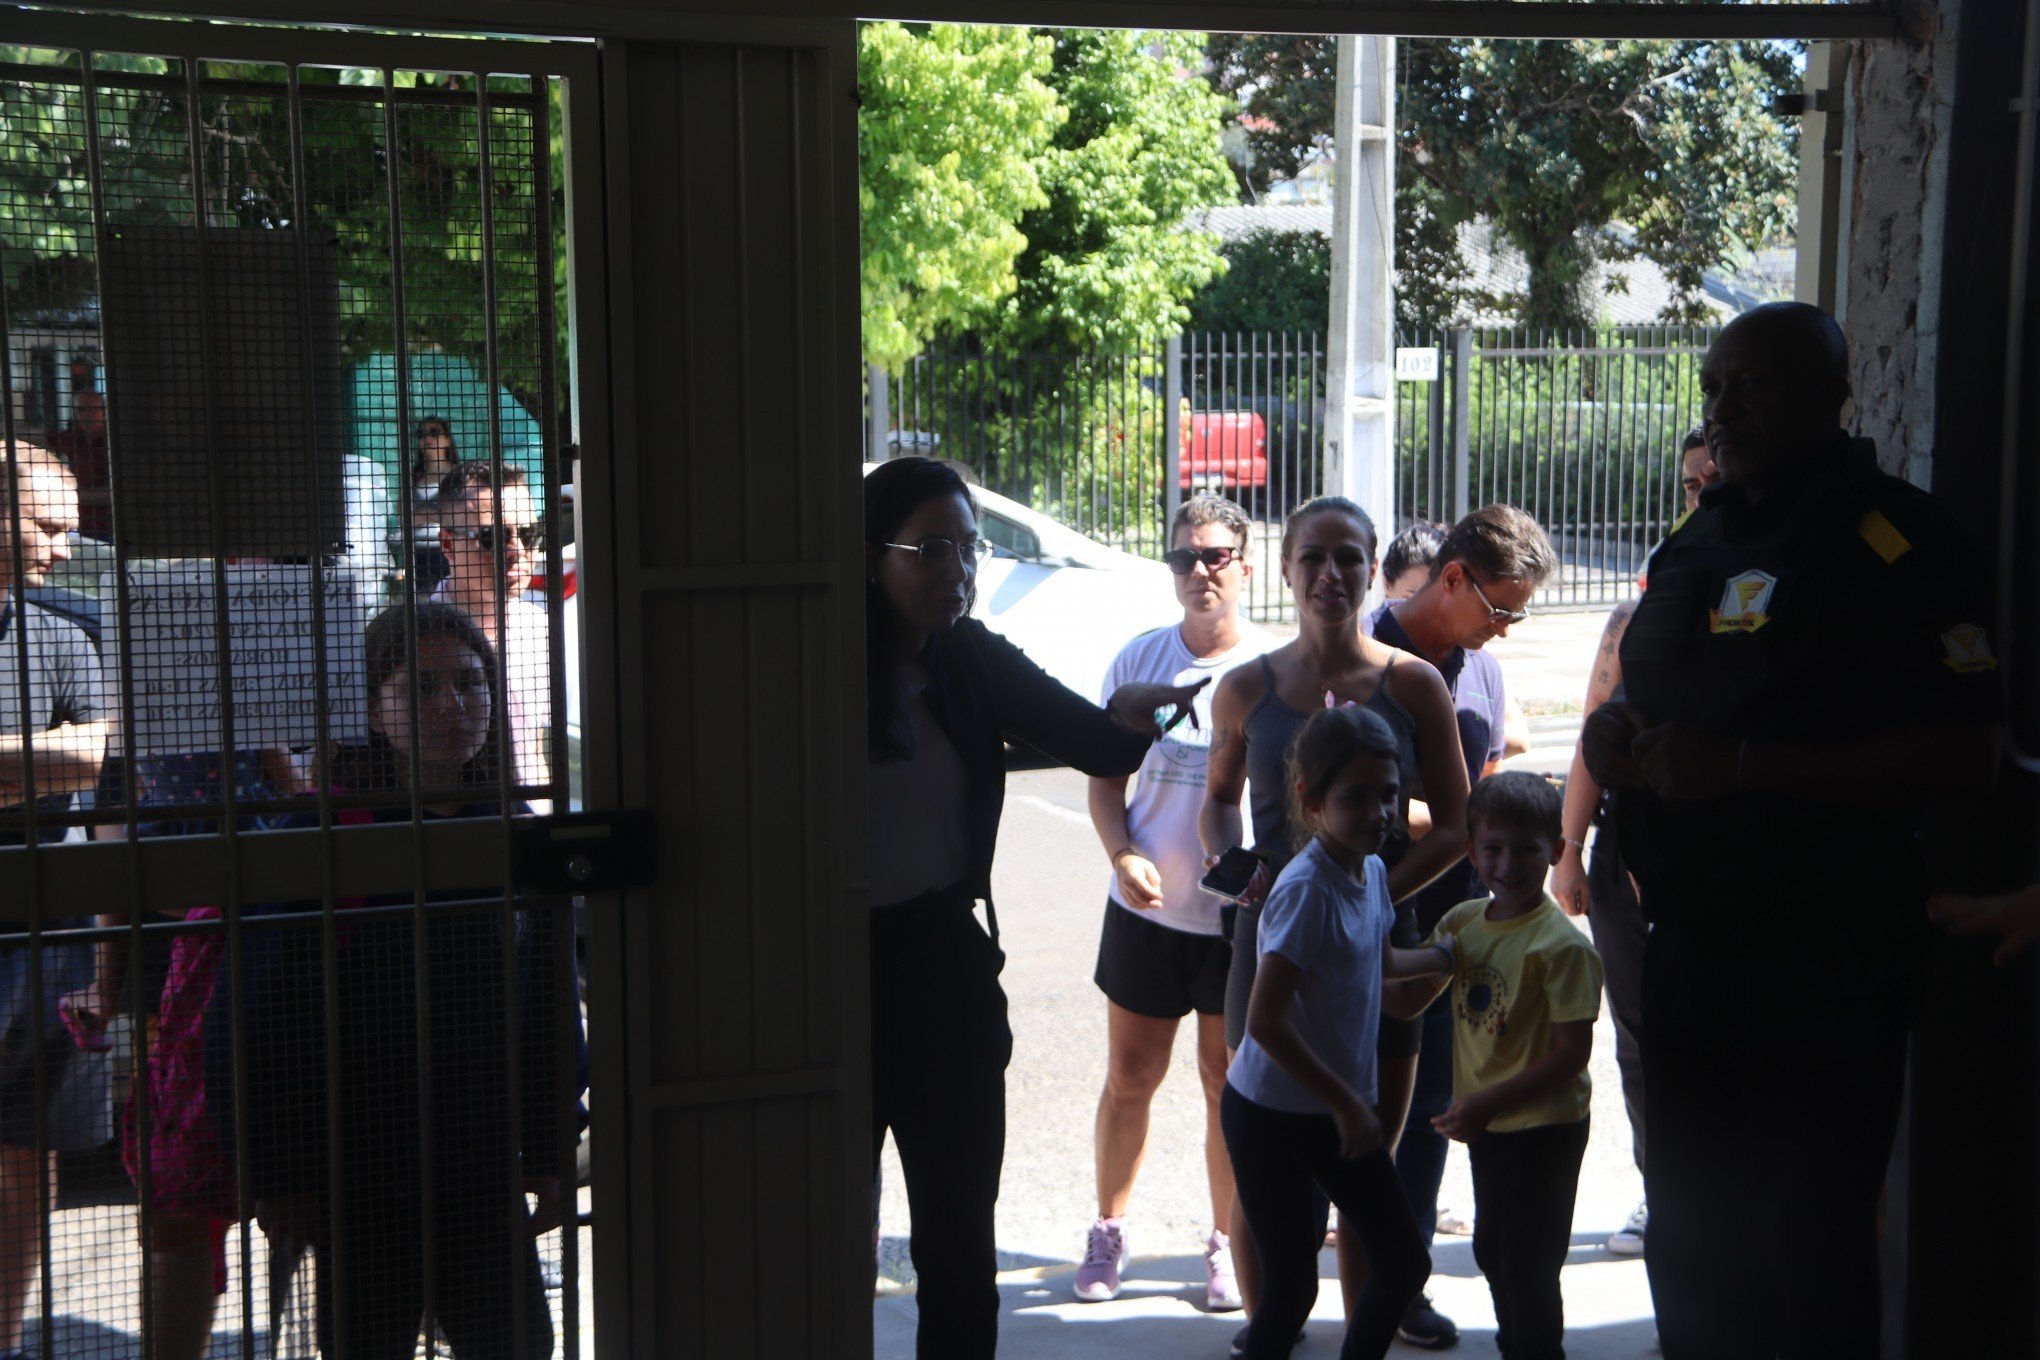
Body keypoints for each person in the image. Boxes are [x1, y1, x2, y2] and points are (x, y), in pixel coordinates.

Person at [1580, 302, 2000, 1359]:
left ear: (1830, 394)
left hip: (1828, 960)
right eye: (1714, 386)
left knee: (1808, 1249)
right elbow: (1648, 696)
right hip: (1688, 954)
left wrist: (1748, 770)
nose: (1722, 408)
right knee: (1691, 1241)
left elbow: (1965, 755)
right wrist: (1615, 734)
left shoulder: (1898, 541)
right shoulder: (1699, 535)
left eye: (1751, 384)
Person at [862, 456, 1203, 1359]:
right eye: (929, 549)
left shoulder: (968, 654)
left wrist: (1140, 714)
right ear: (869, 558)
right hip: (833, 980)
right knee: (822, 1244)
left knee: (958, 1241)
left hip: (944, 971)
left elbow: (1090, 740)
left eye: (968, 549)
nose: (956, 571)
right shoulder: (812, 671)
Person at [223, 601, 575, 1360]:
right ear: (370, 710)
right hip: (356, 1170)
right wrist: (280, 1173)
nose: (454, 705)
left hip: (480, 1162)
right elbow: (261, 1021)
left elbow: (548, 1009)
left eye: (471, 682)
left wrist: (549, 1148)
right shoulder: (323, 839)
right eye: (422, 687)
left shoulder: (517, 829)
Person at [1200, 495, 1470, 1351]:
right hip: (1271, 937)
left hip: (1376, 941)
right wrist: (1235, 873)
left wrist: (1384, 893)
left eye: (1349, 557)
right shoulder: (1247, 687)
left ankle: (1368, 1328)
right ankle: (1268, 1326)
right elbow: (1217, 803)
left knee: (1368, 1154)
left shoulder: (1413, 681)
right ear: (1284, 568)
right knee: (1267, 1153)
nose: (1330, 574)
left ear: (1371, 567)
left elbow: (1461, 824)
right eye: (1312, 556)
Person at [1075, 494, 1276, 1310]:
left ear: (1246, 566)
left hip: (1234, 918)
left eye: (1217, 556)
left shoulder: (1273, 668)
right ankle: (1107, 1231)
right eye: (1185, 557)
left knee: (1227, 1085)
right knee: (1130, 1077)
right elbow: (1103, 780)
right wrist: (1121, 853)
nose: (1200, 571)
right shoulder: (1137, 660)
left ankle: (1225, 1245)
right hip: (1146, 915)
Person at [1364, 504, 1557, 1349]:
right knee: (1356, 1104)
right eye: (1501, 610)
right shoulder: (1364, 652)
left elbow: (1476, 790)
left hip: (1456, 920)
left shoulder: (1479, 667)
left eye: (1519, 615)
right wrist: (1451, 821)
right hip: (1372, 913)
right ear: (1452, 578)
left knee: (1437, 1104)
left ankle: (1402, 1283)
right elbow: (1344, 801)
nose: (1506, 632)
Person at [1221, 704, 1449, 1360]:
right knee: (1290, 1293)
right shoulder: (1306, 891)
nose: (1379, 812)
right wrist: (1350, 1103)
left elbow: (1380, 964)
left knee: (1405, 1266)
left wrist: (1447, 956)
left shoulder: (1371, 870)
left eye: (1389, 794)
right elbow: (1264, 1021)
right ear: (1311, 800)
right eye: (1357, 797)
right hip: (1272, 1115)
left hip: (1334, 1111)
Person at [1550, 426, 1720, 1260]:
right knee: (1639, 1038)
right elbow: (1595, 730)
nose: (1702, 497)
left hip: (1723, 858)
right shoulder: (1639, 611)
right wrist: (1569, 848)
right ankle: (1662, 1192)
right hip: (1628, 860)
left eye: (1715, 480)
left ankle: (1715, 1203)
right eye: (1690, 485)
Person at [1389, 772, 1601, 1360]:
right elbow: (1410, 996)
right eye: (1494, 848)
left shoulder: (1562, 948)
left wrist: (1483, 1102)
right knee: (1492, 1252)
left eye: (1528, 848)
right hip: (1492, 1125)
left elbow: (1571, 1056)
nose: (1509, 863)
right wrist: (1354, 957)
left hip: (1547, 1127)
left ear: (1556, 852)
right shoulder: (1462, 924)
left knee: (1529, 1264)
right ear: (1471, 851)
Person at [0, 442, 111, 1360]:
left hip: (51, 932)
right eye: (46, 525)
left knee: (29, 1151)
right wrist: (36, 756)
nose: (66, 549)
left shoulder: (64, 636)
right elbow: (63, 757)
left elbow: (93, 758)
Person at [434, 460, 550, 807]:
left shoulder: (539, 629)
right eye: (492, 537)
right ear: (448, 545)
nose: (517, 551)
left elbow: (534, 753)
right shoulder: (415, 640)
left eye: (528, 534)